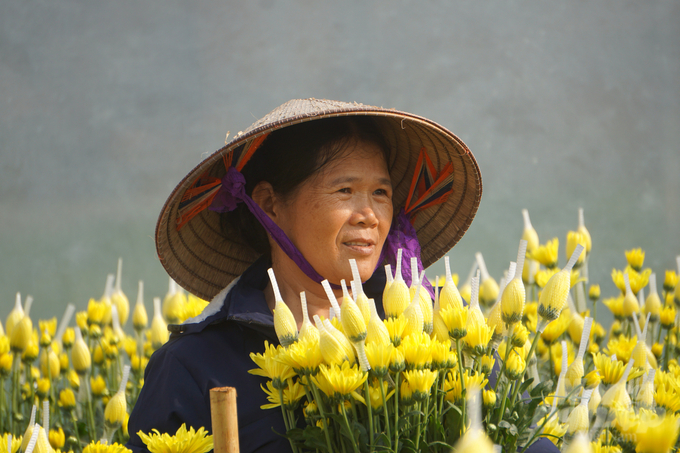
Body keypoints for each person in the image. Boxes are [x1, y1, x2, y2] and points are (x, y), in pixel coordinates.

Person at [127, 98, 557, 453]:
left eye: (381, 193)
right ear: (270, 204)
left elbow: (524, 440)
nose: (369, 215)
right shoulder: (196, 365)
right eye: (345, 191)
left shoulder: (439, 329)